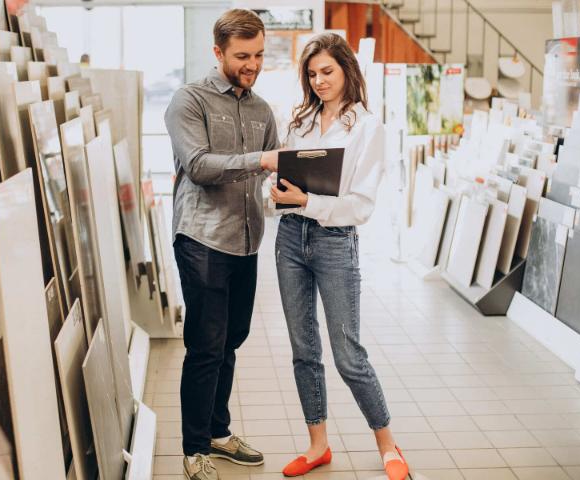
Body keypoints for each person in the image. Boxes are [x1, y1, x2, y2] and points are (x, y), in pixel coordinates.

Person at [269, 33, 409, 480]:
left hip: (334, 241)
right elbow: (281, 179)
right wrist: (276, 193)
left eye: (327, 71)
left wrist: (309, 202)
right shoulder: (300, 120)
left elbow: (361, 206)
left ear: (348, 69)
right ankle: (318, 445)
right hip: (290, 236)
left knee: (348, 352)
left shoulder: (369, 128)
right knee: (303, 349)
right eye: (312, 74)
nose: (319, 81)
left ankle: (388, 445)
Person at [164, 9, 280, 480]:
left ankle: (217, 431)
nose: (252, 64)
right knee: (206, 346)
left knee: (231, 340)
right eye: (242, 56)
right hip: (203, 239)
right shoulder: (188, 100)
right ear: (218, 52)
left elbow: (273, 169)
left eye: (258, 55)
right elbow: (199, 165)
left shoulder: (262, 109)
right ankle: (194, 449)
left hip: (246, 240)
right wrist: (262, 159)